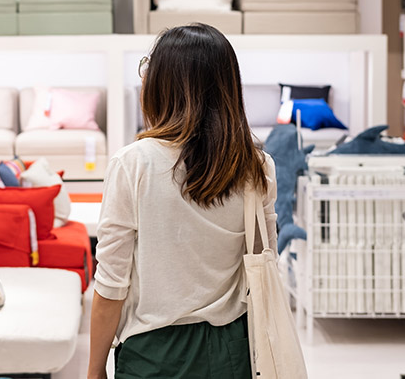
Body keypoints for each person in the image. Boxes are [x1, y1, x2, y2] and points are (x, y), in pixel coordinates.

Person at [88, 23, 278, 379]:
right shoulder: (256, 166)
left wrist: (94, 368)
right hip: (233, 349)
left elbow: (112, 284)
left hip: (153, 353)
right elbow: (264, 260)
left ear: (162, 83)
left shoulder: (133, 163)